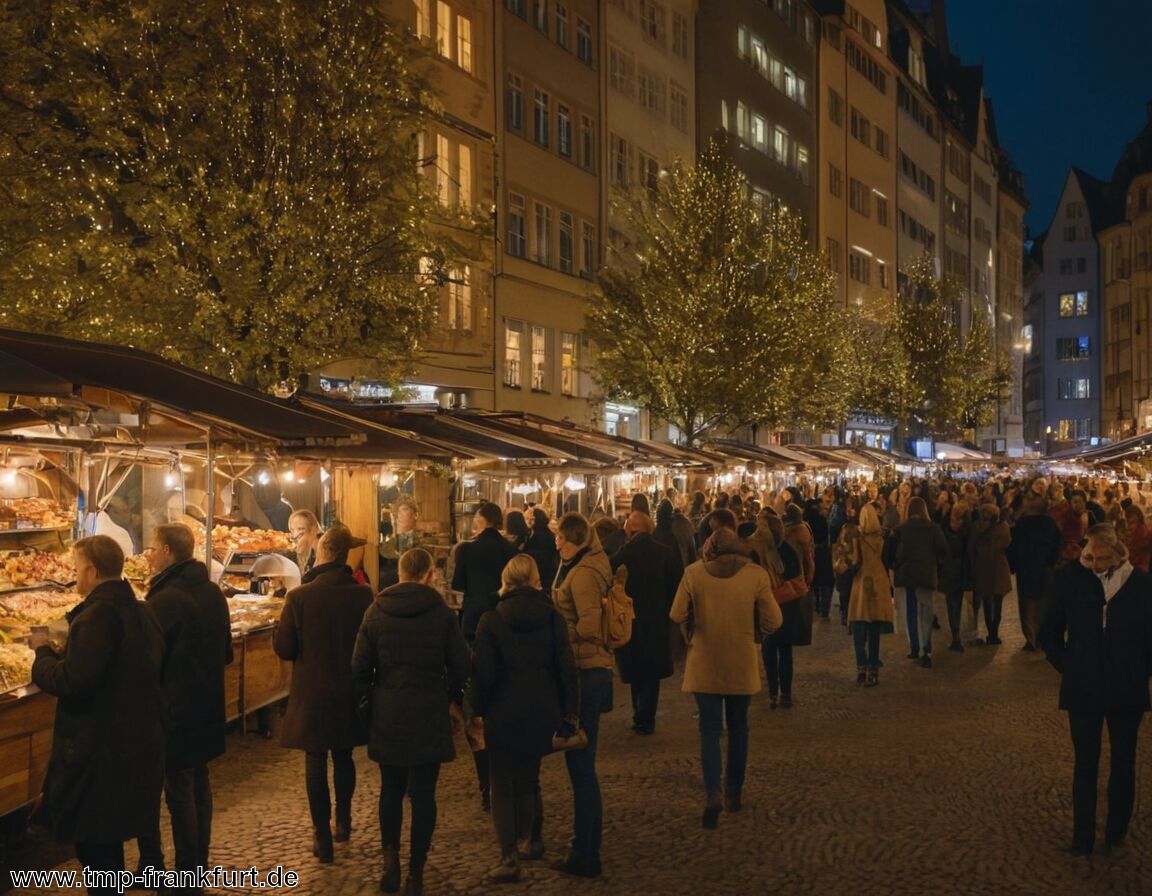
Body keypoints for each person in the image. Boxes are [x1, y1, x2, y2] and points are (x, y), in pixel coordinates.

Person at [30, 536, 165, 894]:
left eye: (76, 568)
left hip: (99, 753)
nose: (74, 575)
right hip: (134, 744)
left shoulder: (97, 616)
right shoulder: (142, 610)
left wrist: (42, 654)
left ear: (90, 571)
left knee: (97, 851)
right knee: (109, 844)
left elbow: (73, 680)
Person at [352, 548, 471, 896]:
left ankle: (390, 862)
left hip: (388, 708)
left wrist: (372, 698)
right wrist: (452, 698)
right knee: (423, 794)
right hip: (429, 708)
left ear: (401, 572)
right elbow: (462, 665)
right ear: (429, 574)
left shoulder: (376, 610)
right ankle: (415, 873)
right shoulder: (441, 614)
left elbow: (358, 667)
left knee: (390, 788)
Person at [1039, 524, 1152, 857]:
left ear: (1119, 555)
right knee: (1085, 764)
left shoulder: (1142, 585)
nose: (1096, 564)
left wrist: (1140, 669)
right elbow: (1049, 631)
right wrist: (1068, 665)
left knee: (1124, 762)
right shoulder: (1071, 579)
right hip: (1083, 685)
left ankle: (1116, 830)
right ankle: (1082, 837)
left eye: (1103, 559)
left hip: (1126, 687)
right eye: (1090, 557)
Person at [470, 555, 579, 882]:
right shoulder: (552, 618)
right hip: (541, 710)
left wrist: (475, 711)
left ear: (506, 581)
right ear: (535, 580)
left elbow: (483, 675)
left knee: (501, 783)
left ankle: (509, 855)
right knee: (530, 777)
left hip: (503, 712)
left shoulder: (491, 620)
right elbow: (566, 669)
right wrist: (570, 713)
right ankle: (535, 839)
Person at [135, 523, 233, 880]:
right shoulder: (212, 593)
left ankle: (187, 877)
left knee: (179, 794)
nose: (148, 554)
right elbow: (225, 653)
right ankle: (197, 868)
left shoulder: (162, 601)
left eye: (152, 547)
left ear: (167, 552)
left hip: (173, 713)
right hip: (207, 707)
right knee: (199, 788)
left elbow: (148, 663)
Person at [669, 528, 781, 828]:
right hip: (740, 660)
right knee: (738, 728)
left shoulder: (693, 573)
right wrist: (757, 631)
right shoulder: (756, 575)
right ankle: (734, 792)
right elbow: (774, 619)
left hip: (704, 659)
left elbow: (676, 612)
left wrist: (689, 633)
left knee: (708, 731)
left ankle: (712, 793)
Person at [274, 524, 373, 861]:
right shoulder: (362, 595)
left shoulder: (299, 596)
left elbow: (286, 648)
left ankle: (321, 835)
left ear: (323, 552)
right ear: (344, 555)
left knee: (315, 760)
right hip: (348, 689)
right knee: (344, 756)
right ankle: (343, 821)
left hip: (312, 692)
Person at [551, 512, 613, 878]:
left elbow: (590, 624)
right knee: (580, 764)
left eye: (560, 536)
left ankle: (586, 852)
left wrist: (564, 634)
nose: (556, 542)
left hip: (586, 671)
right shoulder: (581, 564)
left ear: (573, 538)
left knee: (581, 765)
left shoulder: (585, 573)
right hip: (587, 670)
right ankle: (585, 847)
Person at [451, 501, 518, 811]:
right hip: (504, 622)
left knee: (475, 697)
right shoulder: (509, 551)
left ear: (481, 520)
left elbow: (457, 585)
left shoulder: (467, 549)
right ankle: (505, 773)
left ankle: (485, 782)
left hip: (474, 625)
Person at [610, 511, 683, 735]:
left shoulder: (621, 555)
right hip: (657, 619)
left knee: (635, 667)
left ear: (629, 531)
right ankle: (646, 715)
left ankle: (638, 712)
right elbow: (676, 587)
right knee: (651, 672)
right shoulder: (666, 553)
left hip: (629, 618)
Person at [887, 497, 948, 668]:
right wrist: (935, 565)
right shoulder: (932, 528)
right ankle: (925, 649)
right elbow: (943, 550)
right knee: (925, 612)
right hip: (926, 575)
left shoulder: (901, 529)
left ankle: (914, 646)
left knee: (911, 611)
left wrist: (896, 567)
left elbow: (890, 554)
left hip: (907, 575)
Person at [765, 511, 811, 708]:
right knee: (784, 652)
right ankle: (785, 693)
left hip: (771, 609)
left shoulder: (764, 553)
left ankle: (774, 692)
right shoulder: (789, 551)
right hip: (787, 609)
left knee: (770, 652)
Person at [848, 504, 895, 686]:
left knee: (859, 628)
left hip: (862, 583)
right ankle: (873, 670)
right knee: (874, 630)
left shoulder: (857, 539)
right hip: (879, 582)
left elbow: (852, 562)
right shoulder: (883, 539)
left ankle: (862, 667)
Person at [1007, 496, 1062, 651]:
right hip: (1043, 569)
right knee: (1042, 604)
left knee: (1027, 604)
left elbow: (1013, 546)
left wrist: (1014, 565)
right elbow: (1057, 545)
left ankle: (1031, 637)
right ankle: (1039, 636)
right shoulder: (1050, 524)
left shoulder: (1022, 525)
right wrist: (1051, 563)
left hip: (1026, 570)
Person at [969, 503, 1013, 646]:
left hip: (988, 567)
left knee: (990, 602)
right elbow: (1005, 542)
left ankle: (992, 632)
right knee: (993, 602)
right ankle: (993, 633)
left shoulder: (980, 527)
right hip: (995, 566)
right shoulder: (1001, 526)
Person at [939, 504, 972, 652]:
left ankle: (956, 636)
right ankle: (956, 635)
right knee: (954, 605)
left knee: (953, 605)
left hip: (952, 573)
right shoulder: (965, 533)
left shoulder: (946, 532)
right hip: (955, 573)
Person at [379, 497, 422, 589]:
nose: (399, 514)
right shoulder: (384, 549)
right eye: (397, 511)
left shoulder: (422, 547)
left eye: (404, 509)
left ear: (415, 515)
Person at [522, 507, 560, 589]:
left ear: (533, 521)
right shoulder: (549, 535)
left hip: (541, 579)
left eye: (526, 519)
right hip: (549, 578)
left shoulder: (536, 539)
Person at [289, 509, 322, 576]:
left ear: (313, 531)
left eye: (300, 530)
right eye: (292, 530)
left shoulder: (322, 557)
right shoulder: (289, 556)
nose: (294, 536)